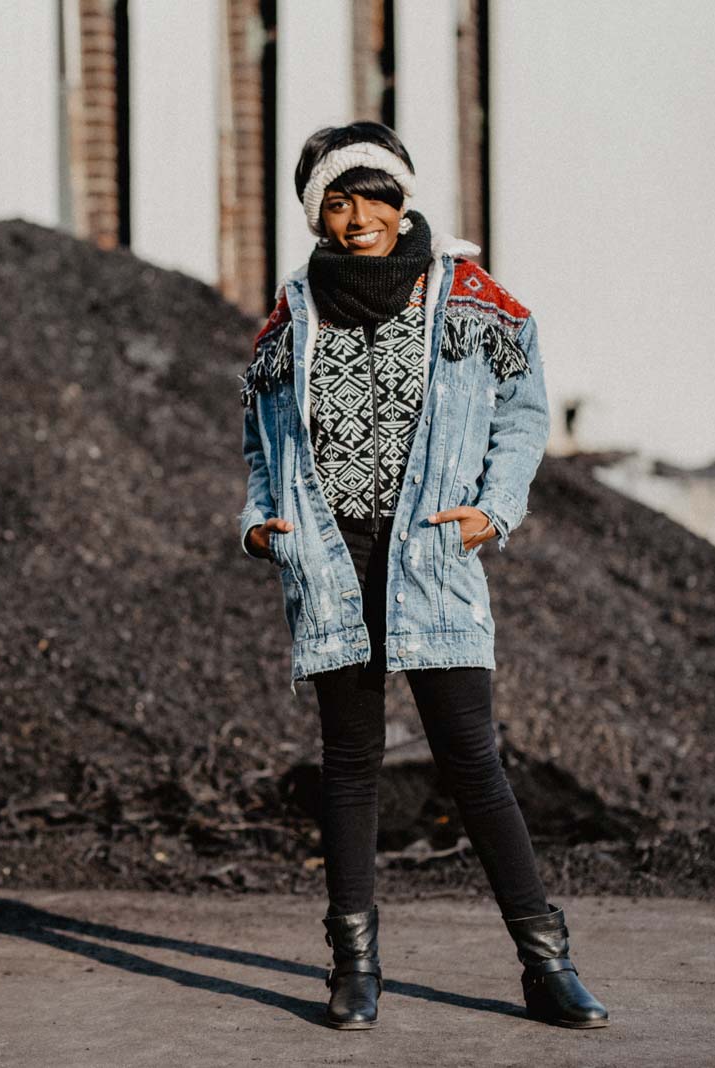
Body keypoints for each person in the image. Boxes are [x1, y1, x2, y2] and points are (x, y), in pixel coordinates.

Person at [236, 121, 609, 1032]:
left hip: (431, 552)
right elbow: (259, 438)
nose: (359, 216)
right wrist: (259, 523)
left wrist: (496, 508)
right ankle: (354, 965)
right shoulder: (292, 312)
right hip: (331, 554)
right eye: (337, 199)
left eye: (374, 195)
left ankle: (545, 962)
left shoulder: (474, 298)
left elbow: (523, 414)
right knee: (351, 767)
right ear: (316, 214)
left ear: (401, 199)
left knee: (473, 762)